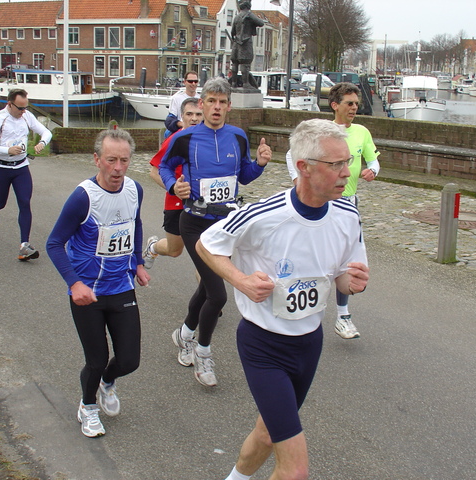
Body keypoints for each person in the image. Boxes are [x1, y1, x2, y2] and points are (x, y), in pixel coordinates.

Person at [196, 119, 369, 479]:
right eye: (336, 164)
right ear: (304, 167)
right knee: (295, 471)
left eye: (348, 161)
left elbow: (340, 275)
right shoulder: (263, 215)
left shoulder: (348, 216)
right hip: (264, 346)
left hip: (309, 344)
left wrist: (350, 281)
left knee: (266, 432)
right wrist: (241, 281)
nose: (346, 172)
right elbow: (206, 245)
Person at [159, 77, 271, 387]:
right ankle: (203, 353)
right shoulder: (185, 137)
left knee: (207, 289)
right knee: (218, 294)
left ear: (229, 106)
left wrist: (259, 164)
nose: (217, 107)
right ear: (202, 104)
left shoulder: (237, 137)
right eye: (211, 101)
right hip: (194, 223)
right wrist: (173, 185)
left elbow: (244, 177)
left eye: (222, 102)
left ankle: (183, 333)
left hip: (225, 226)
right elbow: (164, 166)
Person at [46, 129, 150, 438]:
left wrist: (138, 262)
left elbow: (136, 223)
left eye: (124, 160)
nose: (118, 168)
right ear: (97, 160)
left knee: (130, 359)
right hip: (87, 291)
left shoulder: (135, 190)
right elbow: (54, 243)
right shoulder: (83, 197)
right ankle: (88, 407)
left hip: (121, 285)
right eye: (111, 160)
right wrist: (74, 283)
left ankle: (108, 382)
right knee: (96, 359)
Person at [286, 82, 380, 340]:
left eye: (357, 104)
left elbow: (373, 159)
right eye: (349, 103)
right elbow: (290, 156)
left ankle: (343, 315)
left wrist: (374, 170)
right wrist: (298, 181)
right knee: (310, 252)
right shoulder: (321, 131)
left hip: (347, 202)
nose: (354, 108)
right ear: (335, 105)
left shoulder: (362, 132)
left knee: (346, 260)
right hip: (320, 201)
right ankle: (297, 300)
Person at [0, 88, 52, 261]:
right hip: (1, 167)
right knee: (0, 202)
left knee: (25, 203)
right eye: (19, 108)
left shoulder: (27, 116)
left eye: (25, 107)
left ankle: (24, 246)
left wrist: (42, 142)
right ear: (9, 104)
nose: (23, 111)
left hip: (21, 167)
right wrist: (7, 150)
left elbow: (46, 132)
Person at [143, 97, 203, 269]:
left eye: (198, 114)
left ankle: (210, 295)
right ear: (181, 117)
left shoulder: (208, 141)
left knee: (205, 255)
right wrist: (174, 188)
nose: (194, 118)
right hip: (176, 203)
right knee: (174, 250)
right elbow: (154, 172)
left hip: (200, 204)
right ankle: (153, 247)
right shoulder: (174, 140)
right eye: (189, 114)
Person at [228, 1, 264, 89]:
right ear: (248, 6)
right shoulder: (249, 15)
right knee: (245, 63)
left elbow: (233, 32)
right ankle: (245, 83)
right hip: (245, 42)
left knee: (235, 63)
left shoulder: (236, 17)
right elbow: (261, 23)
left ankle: (233, 83)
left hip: (236, 43)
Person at [164, 70, 199, 137]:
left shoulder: (201, 99)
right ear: (184, 82)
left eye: (196, 81)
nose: (193, 84)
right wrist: (183, 124)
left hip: (197, 133)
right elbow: (169, 120)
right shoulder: (176, 98)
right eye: (190, 81)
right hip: (182, 132)